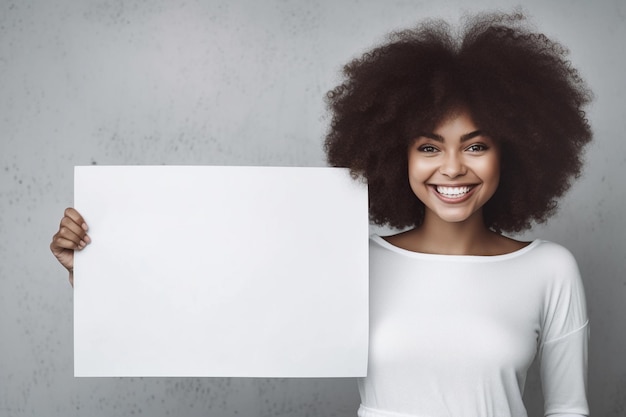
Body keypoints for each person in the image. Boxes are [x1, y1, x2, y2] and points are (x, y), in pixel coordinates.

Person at [50, 11, 592, 417]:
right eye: (428, 147)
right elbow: (218, 312)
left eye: (475, 146)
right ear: (395, 154)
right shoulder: (350, 261)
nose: (451, 168)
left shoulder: (550, 270)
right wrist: (97, 274)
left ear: (515, 150)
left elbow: (569, 410)